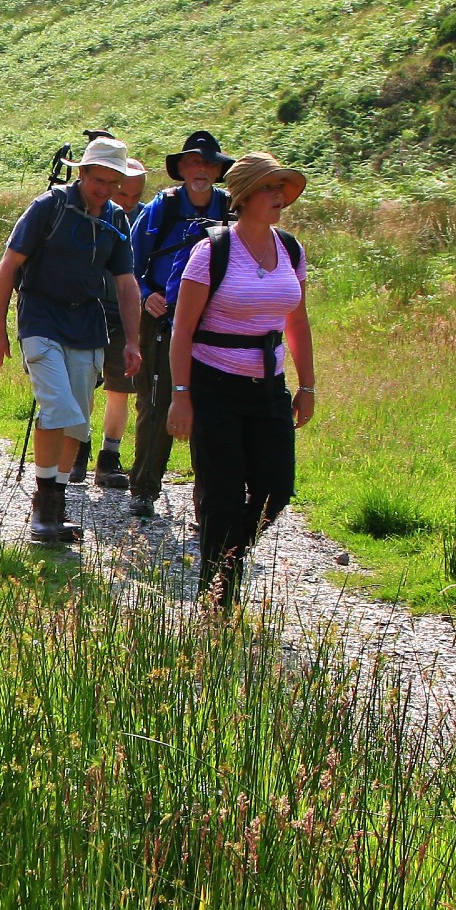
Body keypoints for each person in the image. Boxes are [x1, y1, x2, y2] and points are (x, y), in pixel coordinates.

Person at [165, 151, 317, 609]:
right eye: (270, 189)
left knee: (276, 489)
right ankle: (218, 601)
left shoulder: (291, 249)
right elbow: (182, 330)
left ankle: (225, 565)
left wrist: (307, 386)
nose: (279, 197)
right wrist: (181, 396)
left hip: (269, 388)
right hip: (214, 385)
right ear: (247, 196)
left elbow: (298, 322)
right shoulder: (212, 251)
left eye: (282, 189)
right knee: (223, 495)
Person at [0, 136, 144, 544]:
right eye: (98, 179)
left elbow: (127, 286)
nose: (103, 189)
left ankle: (54, 511)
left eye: (112, 182)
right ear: (83, 173)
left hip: (88, 325)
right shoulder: (49, 206)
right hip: (40, 318)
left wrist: (133, 342)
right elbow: (9, 266)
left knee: (77, 425)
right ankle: (44, 511)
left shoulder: (116, 220)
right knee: (58, 407)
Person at [125, 130, 234, 518]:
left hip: (213, 322)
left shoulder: (231, 209)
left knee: (212, 406)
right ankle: (144, 488)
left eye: (207, 163)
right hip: (161, 316)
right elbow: (130, 260)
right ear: (182, 169)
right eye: (192, 162)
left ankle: (208, 498)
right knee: (156, 401)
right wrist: (145, 293)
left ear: (219, 170)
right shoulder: (161, 208)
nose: (200, 170)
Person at [75, 159, 152, 488]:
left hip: (126, 313)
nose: (129, 201)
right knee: (84, 384)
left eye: (136, 195)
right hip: (92, 309)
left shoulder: (148, 217)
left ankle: (109, 457)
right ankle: (79, 448)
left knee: (121, 388)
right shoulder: (88, 212)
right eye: (124, 193)